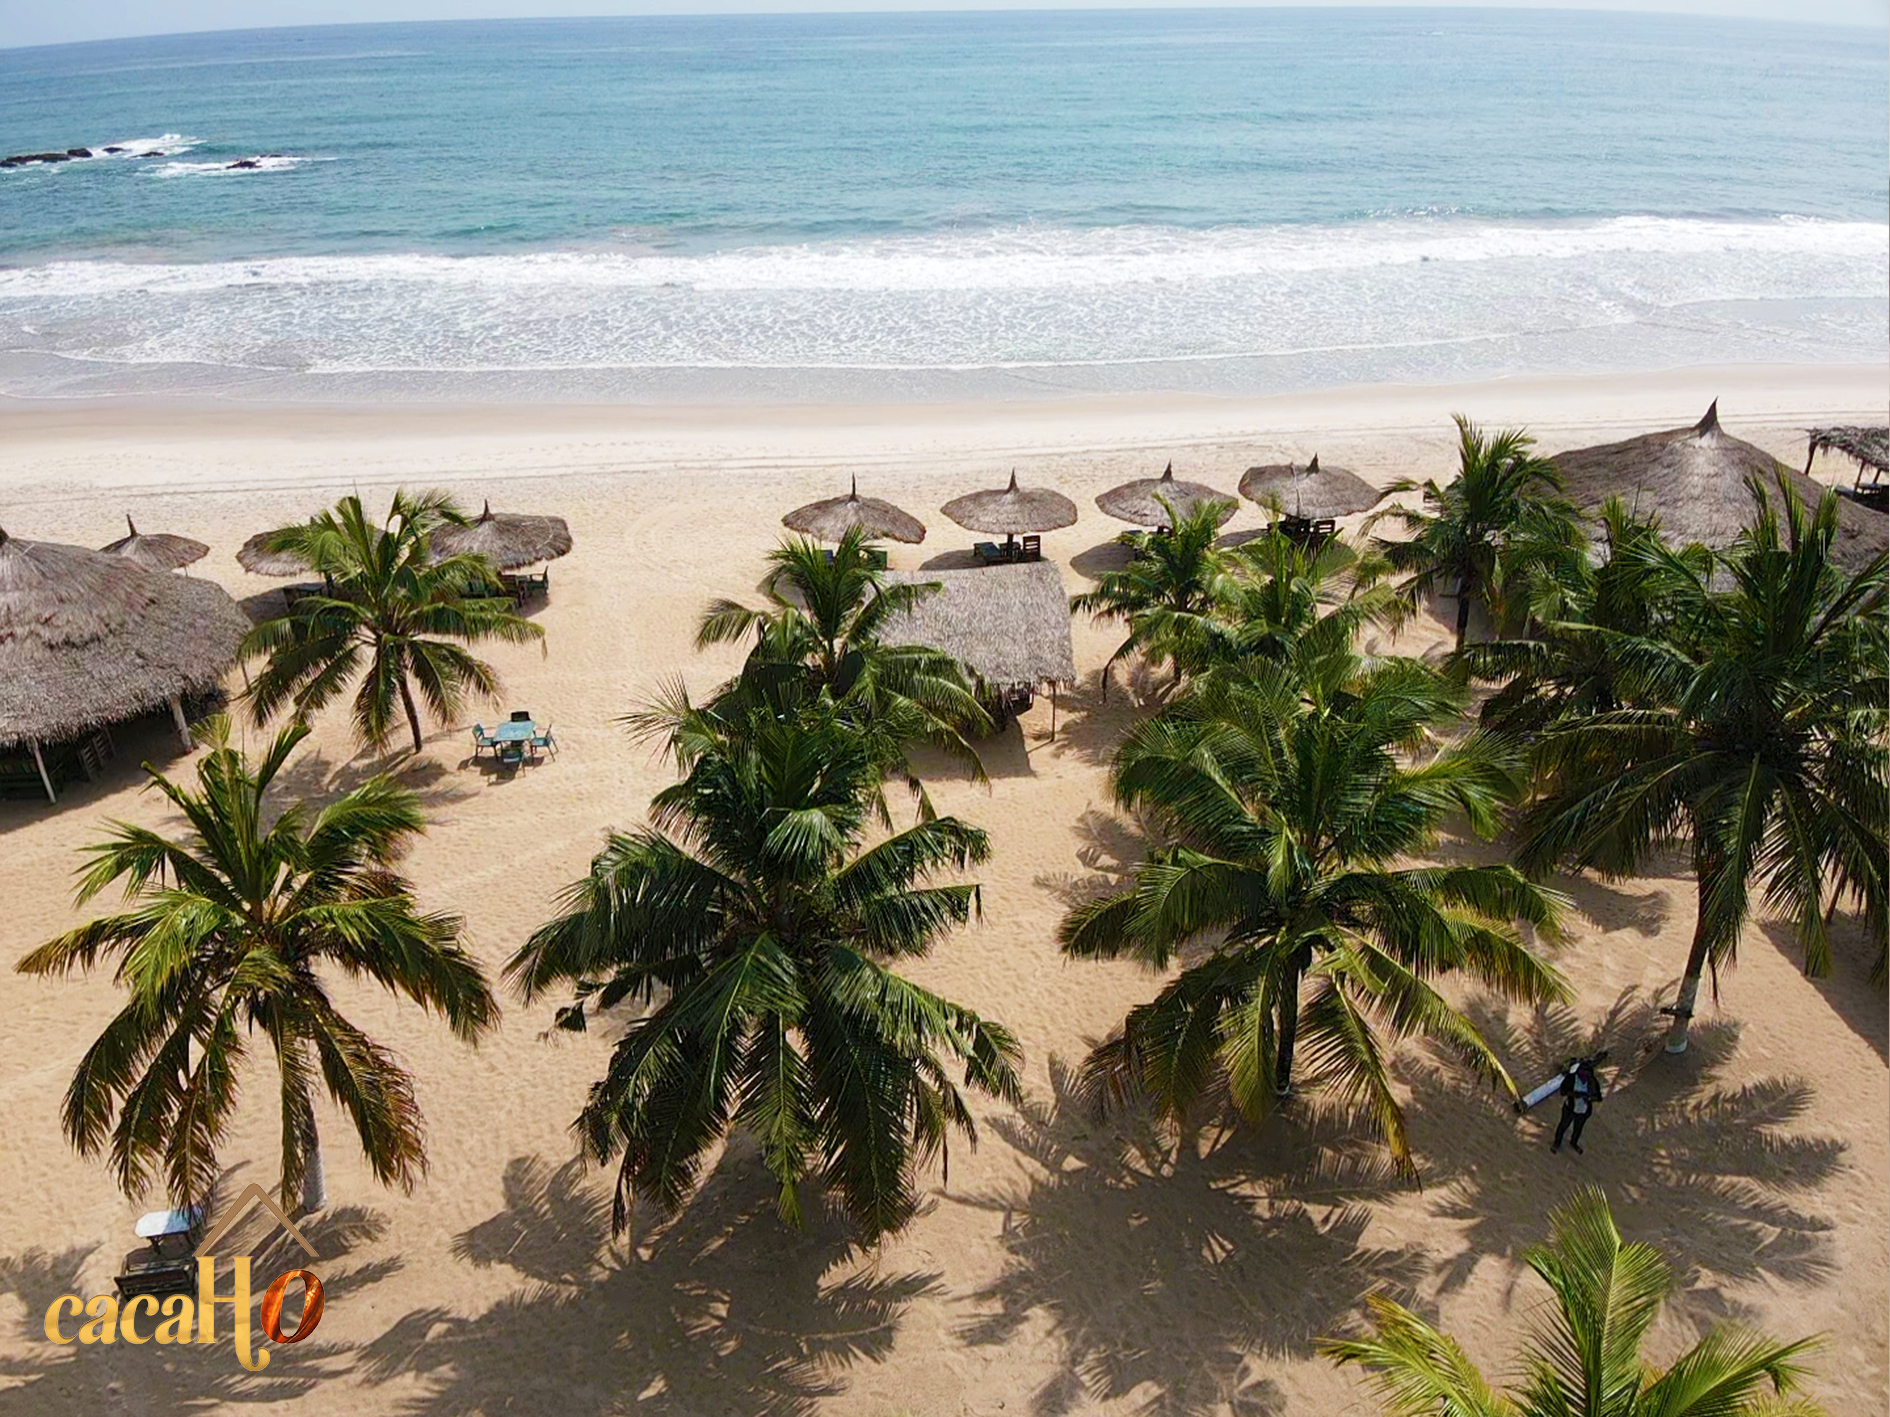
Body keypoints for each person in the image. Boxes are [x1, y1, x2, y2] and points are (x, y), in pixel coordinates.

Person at [1552, 1056, 1602, 1154]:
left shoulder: (1592, 1082)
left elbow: (1598, 1097)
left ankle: (1573, 1142)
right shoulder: (1571, 1078)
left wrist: (1589, 1098)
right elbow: (1563, 1091)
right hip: (1569, 1108)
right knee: (1563, 1126)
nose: (1584, 1076)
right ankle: (1556, 1143)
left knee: (1578, 1128)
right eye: (1582, 1072)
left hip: (1583, 1111)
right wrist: (1573, 1094)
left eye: (1587, 1073)